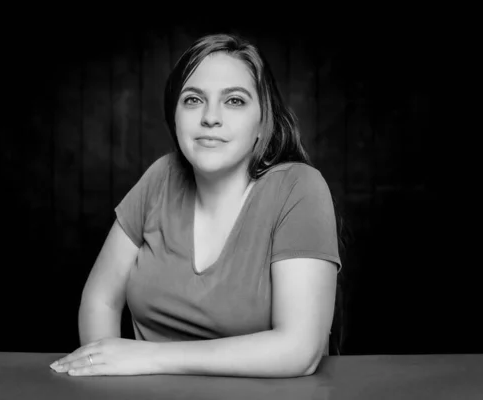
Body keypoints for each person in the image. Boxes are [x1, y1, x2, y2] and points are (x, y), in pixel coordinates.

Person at [50, 32, 345, 378]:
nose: (210, 117)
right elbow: (101, 297)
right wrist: (107, 373)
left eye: (234, 101)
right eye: (193, 100)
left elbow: (300, 350)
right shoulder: (160, 177)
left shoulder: (300, 188)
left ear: (262, 122)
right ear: (175, 116)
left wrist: (146, 358)